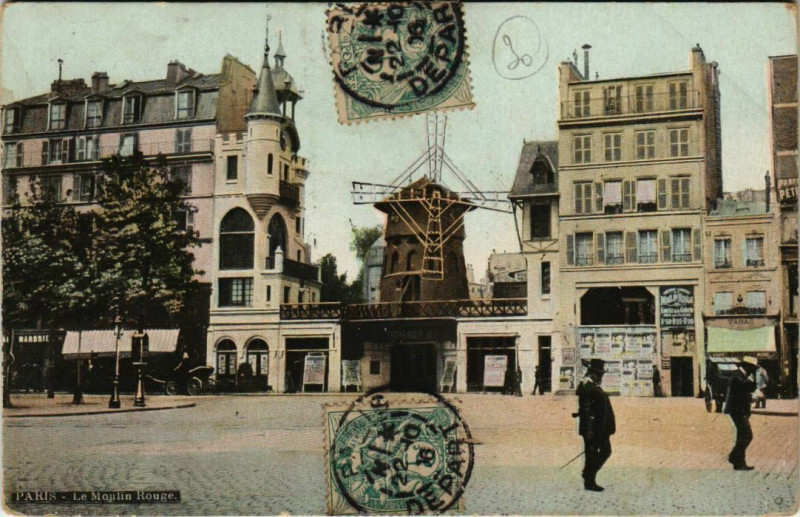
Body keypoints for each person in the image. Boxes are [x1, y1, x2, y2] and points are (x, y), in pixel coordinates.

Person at [575, 358, 616, 492]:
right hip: (593, 429)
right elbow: (587, 412)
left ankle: (588, 476)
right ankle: (589, 479)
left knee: (597, 453)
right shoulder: (589, 388)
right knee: (599, 452)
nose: (601, 377)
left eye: (601, 374)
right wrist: (591, 432)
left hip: (599, 429)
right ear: (593, 374)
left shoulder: (592, 387)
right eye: (599, 374)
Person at [724, 356, 758, 470]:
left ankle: (739, 463)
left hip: (740, 410)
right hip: (738, 410)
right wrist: (751, 394)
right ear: (747, 366)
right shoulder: (737, 377)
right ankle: (733, 456)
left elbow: (750, 389)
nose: (753, 370)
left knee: (741, 436)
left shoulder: (742, 376)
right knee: (747, 435)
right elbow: (743, 391)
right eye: (753, 368)